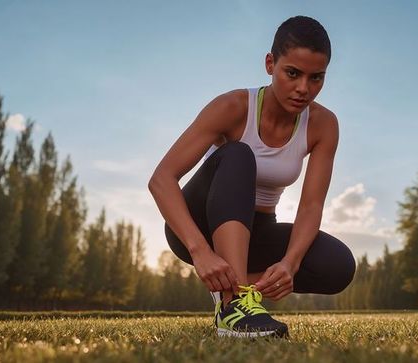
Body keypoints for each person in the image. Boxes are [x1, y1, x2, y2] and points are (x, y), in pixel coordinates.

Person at [148, 15, 355, 338]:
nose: (303, 88)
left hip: (258, 232)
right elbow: (161, 179)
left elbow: (311, 205)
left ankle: (233, 285)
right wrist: (200, 251)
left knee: (338, 265)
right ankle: (233, 306)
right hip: (196, 226)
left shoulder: (323, 124)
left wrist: (290, 263)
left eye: (316, 78)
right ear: (270, 63)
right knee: (238, 154)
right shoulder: (232, 107)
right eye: (292, 73)